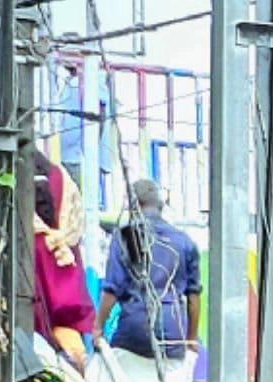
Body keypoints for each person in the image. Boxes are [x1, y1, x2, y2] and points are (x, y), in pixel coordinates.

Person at [99, 178, 201, 358]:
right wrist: (191, 340)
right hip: (173, 334)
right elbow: (193, 297)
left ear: (134, 206)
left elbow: (112, 289)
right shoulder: (185, 242)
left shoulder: (127, 236)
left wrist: (97, 328)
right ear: (161, 207)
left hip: (134, 330)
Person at [27, 147, 96, 364]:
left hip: (33, 279)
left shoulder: (28, 233)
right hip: (66, 276)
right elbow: (77, 225)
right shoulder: (61, 178)